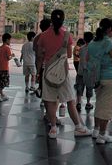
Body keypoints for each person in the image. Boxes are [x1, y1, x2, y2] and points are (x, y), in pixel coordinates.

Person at [35, 9, 91, 139]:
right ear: (63, 20)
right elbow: (70, 55)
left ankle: (53, 128)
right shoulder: (66, 35)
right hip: (63, 73)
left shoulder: (43, 36)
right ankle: (78, 127)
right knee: (70, 100)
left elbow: (39, 55)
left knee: (50, 101)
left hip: (48, 73)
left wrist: (38, 72)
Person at [87, 18, 112, 144]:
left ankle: (95, 130)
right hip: (109, 77)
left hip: (96, 78)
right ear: (110, 29)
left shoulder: (93, 43)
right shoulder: (108, 43)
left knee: (99, 103)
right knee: (107, 107)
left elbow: (89, 58)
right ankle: (102, 135)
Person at [75, 32, 94, 112]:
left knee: (80, 87)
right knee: (89, 88)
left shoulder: (81, 48)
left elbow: (79, 56)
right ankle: (88, 103)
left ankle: (78, 102)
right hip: (89, 72)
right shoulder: (94, 48)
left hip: (80, 71)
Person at [33, 19, 52, 100]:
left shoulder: (36, 38)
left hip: (41, 65)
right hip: (52, 65)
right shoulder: (53, 37)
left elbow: (38, 56)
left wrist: (37, 71)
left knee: (42, 82)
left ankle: (42, 94)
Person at [0, 33, 15, 101]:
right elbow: (8, 58)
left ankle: (2, 95)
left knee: (0, 82)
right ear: (7, 40)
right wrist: (12, 55)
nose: (10, 41)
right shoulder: (7, 48)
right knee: (4, 82)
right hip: (4, 68)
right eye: (10, 40)